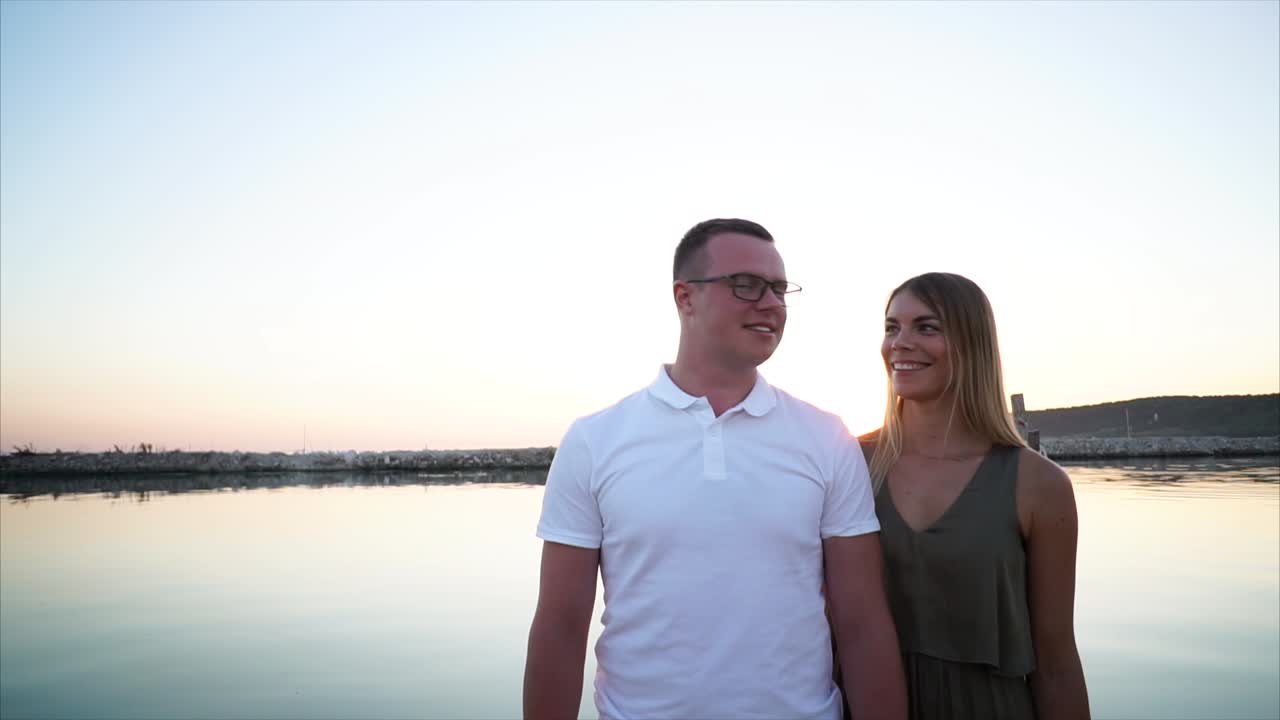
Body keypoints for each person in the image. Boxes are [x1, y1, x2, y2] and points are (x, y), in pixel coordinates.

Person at [524, 218, 907, 720]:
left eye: (778, 289)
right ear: (685, 297)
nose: (770, 303)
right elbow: (560, 625)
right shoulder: (595, 441)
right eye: (746, 285)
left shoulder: (826, 438)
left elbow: (863, 624)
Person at [864, 272, 1090, 719]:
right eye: (892, 327)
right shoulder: (847, 465)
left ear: (973, 344)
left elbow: (1057, 661)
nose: (900, 343)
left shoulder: (1039, 484)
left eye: (927, 327)